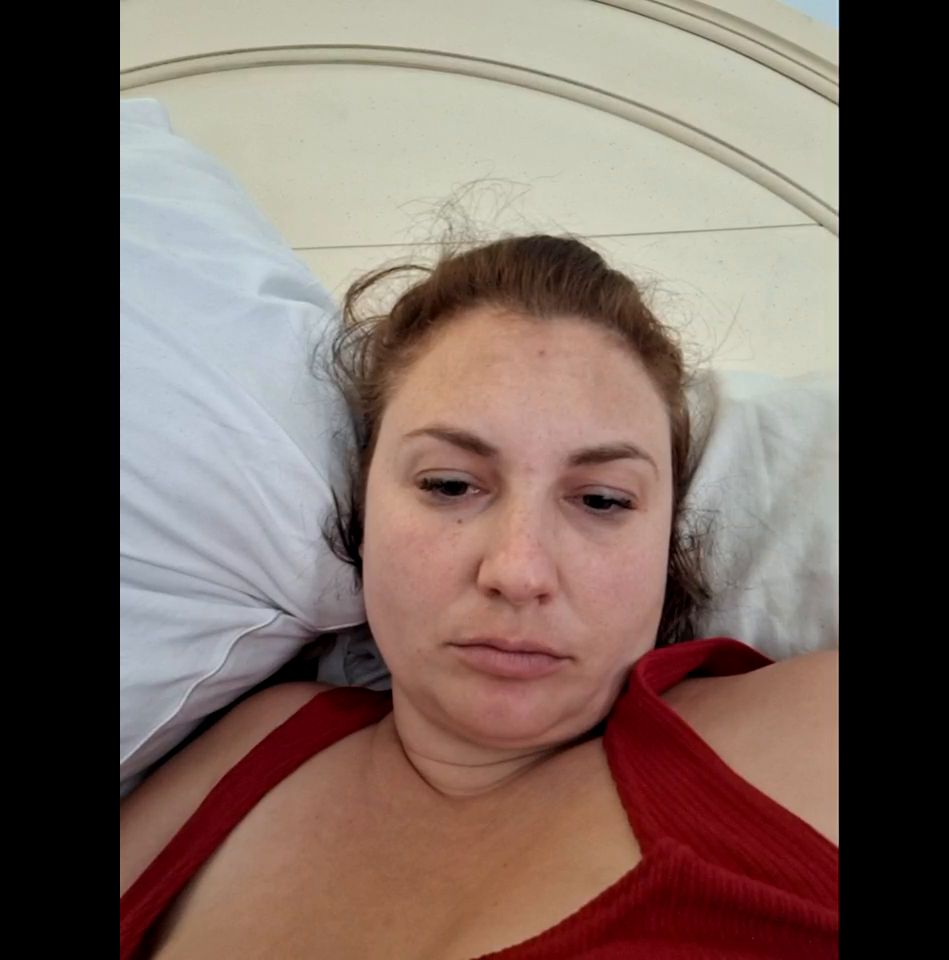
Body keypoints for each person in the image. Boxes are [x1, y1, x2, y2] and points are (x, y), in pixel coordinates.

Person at [120, 235, 838, 959]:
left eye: (601, 499)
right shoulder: (261, 742)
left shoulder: (809, 733)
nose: (519, 572)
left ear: (668, 541)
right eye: (450, 485)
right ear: (363, 511)